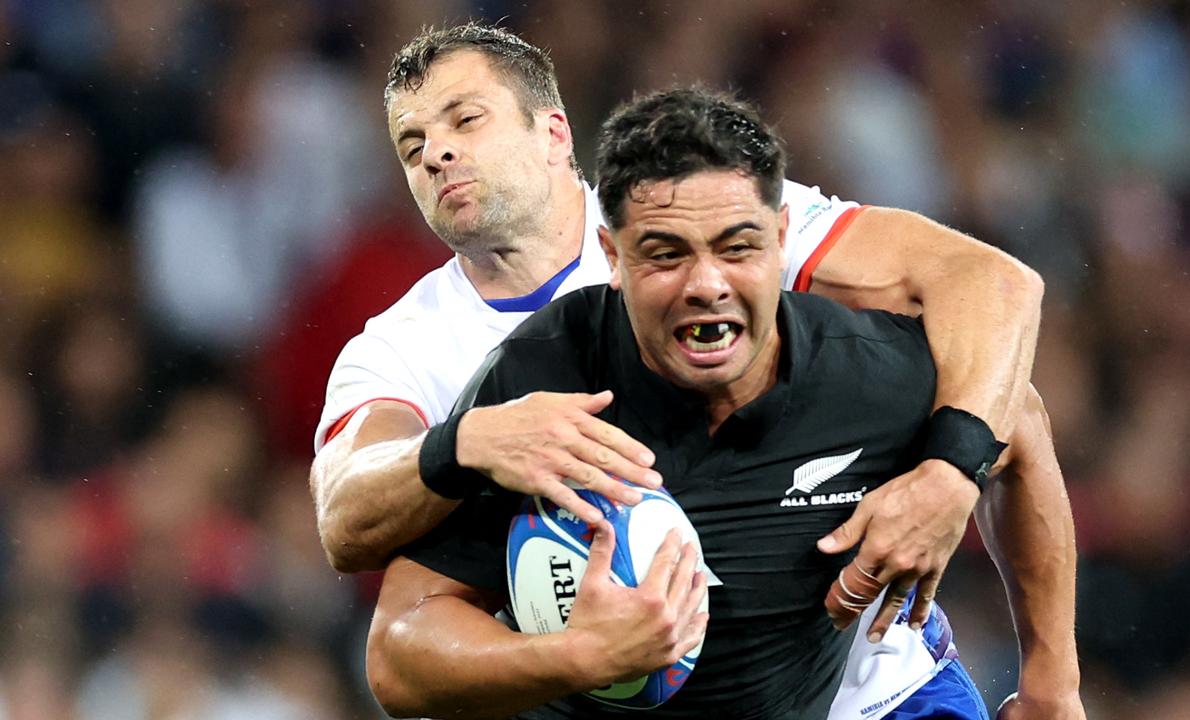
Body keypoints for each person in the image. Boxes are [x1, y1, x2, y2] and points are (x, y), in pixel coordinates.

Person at [309, 22, 1044, 642]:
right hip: (624, 694)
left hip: (870, 682)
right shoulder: (401, 349)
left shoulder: (707, 218)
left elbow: (990, 284)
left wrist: (953, 472)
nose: (435, 153)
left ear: (554, 132)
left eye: (466, 120)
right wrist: (466, 443)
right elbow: (344, 515)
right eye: (412, 145)